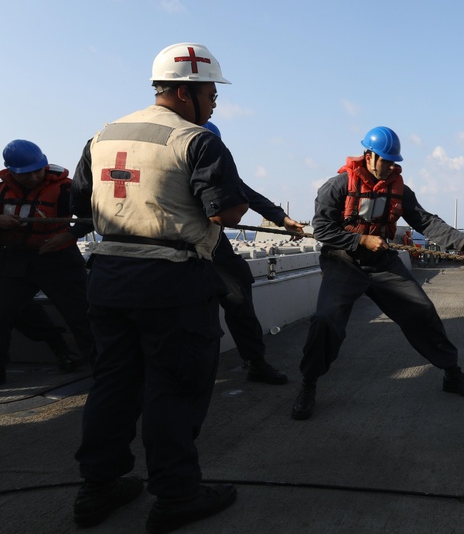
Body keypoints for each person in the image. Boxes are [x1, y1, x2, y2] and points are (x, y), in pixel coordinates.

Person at [71, 43, 246, 532]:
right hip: (171, 281)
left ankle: (98, 487)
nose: (215, 102)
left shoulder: (101, 136)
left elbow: (81, 207)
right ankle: (175, 494)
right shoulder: (197, 140)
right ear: (188, 91)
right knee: (174, 387)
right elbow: (224, 212)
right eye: (212, 91)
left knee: (112, 384)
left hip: (106, 277)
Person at [292, 125, 464, 421]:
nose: (392, 166)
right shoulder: (337, 186)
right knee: (325, 319)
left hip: (382, 263)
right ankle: (309, 382)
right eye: (386, 160)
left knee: (422, 310)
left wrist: (463, 241)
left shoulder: (399, 189)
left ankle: (451, 372)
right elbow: (322, 230)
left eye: (395, 161)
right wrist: (360, 240)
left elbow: (425, 221)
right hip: (343, 262)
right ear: (369, 156)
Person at [203, 120, 304, 385]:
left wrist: (281, 219)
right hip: (182, 244)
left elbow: (247, 193)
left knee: (237, 286)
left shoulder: (216, 170)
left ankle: (255, 362)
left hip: (211, 241)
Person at [0, 140, 94, 382]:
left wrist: (69, 234)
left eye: (38, 171)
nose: (33, 177)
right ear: (11, 172)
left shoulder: (65, 189)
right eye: (26, 174)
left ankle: (104, 373)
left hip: (60, 260)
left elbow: (91, 217)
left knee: (82, 317)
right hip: (16, 260)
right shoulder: (2, 191)